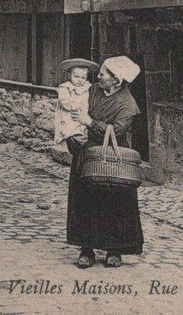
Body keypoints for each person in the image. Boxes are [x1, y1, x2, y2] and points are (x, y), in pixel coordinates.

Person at [65, 55, 144, 269]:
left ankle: (114, 249)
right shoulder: (92, 91)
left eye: (104, 74)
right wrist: (73, 136)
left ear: (116, 80)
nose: (98, 76)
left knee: (115, 202)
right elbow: (74, 115)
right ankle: (87, 249)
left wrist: (90, 122)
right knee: (85, 200)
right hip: (88, 151)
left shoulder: (127, 103)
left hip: (114, 156)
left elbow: (118, 132)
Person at [54, 58, 99, 146]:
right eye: (76, 77)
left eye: (83, 77)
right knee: (70, 127)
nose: (79, 80)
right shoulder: (66, 87)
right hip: (70, 113)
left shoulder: (87, 87)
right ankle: (70, 138)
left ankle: (81, 137)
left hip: (84, 112)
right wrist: (71, 106)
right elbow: (63, 100)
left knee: (84, 127)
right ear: (69, 76)